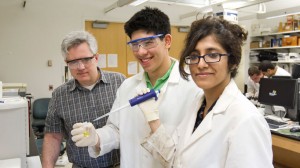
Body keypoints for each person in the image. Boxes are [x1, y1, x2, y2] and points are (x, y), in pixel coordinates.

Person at [70, 7, 201, 168]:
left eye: (148, 42)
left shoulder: (193, 86)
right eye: (134, 44)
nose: (141, 52)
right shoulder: (127, 86)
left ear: (167, 41)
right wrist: (96, 137)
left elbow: (192, 152)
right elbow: (117, 129)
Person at [138, 17, 273, 167]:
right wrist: (152, 118)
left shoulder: (246, 119)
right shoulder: (198, 106)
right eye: (195, 56)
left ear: (233, 62)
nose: (201, 64)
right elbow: (175, 158)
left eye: (213, 55)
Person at [42, 31, 125, 168]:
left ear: (96, 58)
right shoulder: (60, 95)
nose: (80, 67)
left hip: (119, 164)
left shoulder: (119, 82)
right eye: (73, 62)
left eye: (86, 59)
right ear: (66, 63)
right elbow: (53, 136)